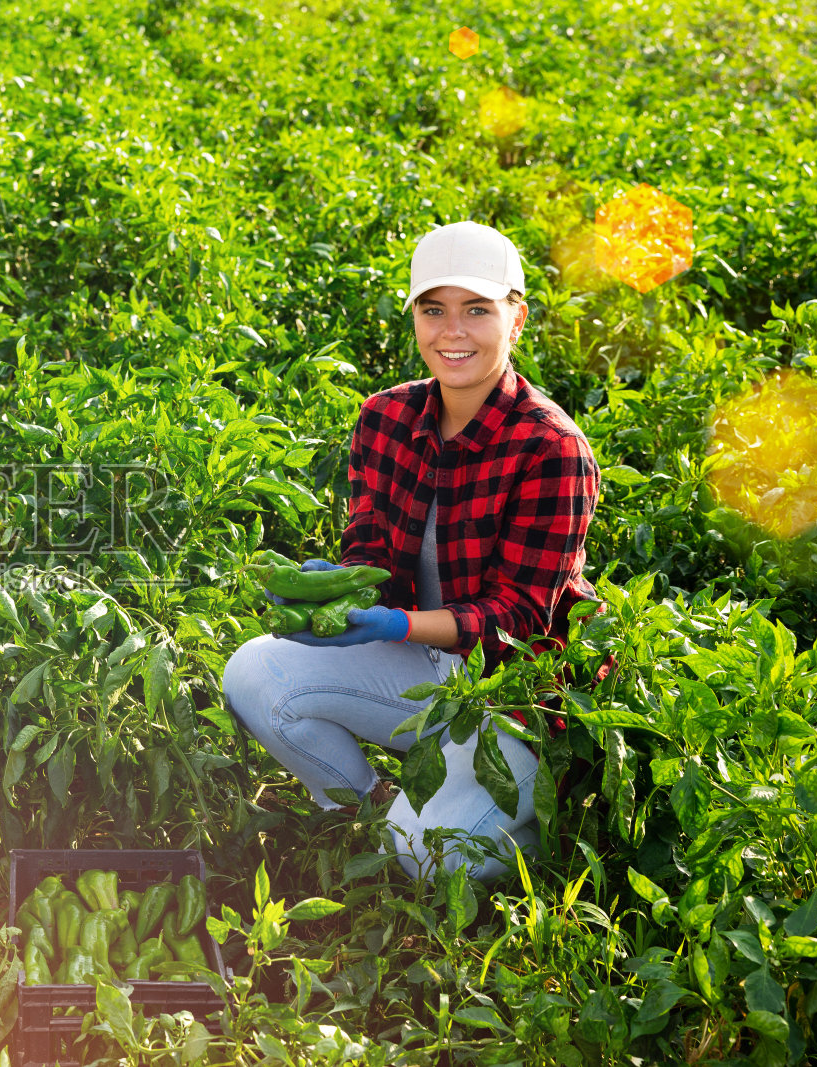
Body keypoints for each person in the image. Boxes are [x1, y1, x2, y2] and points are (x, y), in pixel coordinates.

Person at [222, 221, 599, 881]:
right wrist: (336, 587)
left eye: (477, 309)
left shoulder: (551, 447)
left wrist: (396, 624)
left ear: (517, 319)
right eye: (434, 309)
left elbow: (518, 618)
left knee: (430, 855)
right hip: (421, 666)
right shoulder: (386, 416)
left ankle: (544, 829)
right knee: (256, 673)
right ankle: (376, 808)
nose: (452, 330)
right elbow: (369, 545)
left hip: (511, 695)